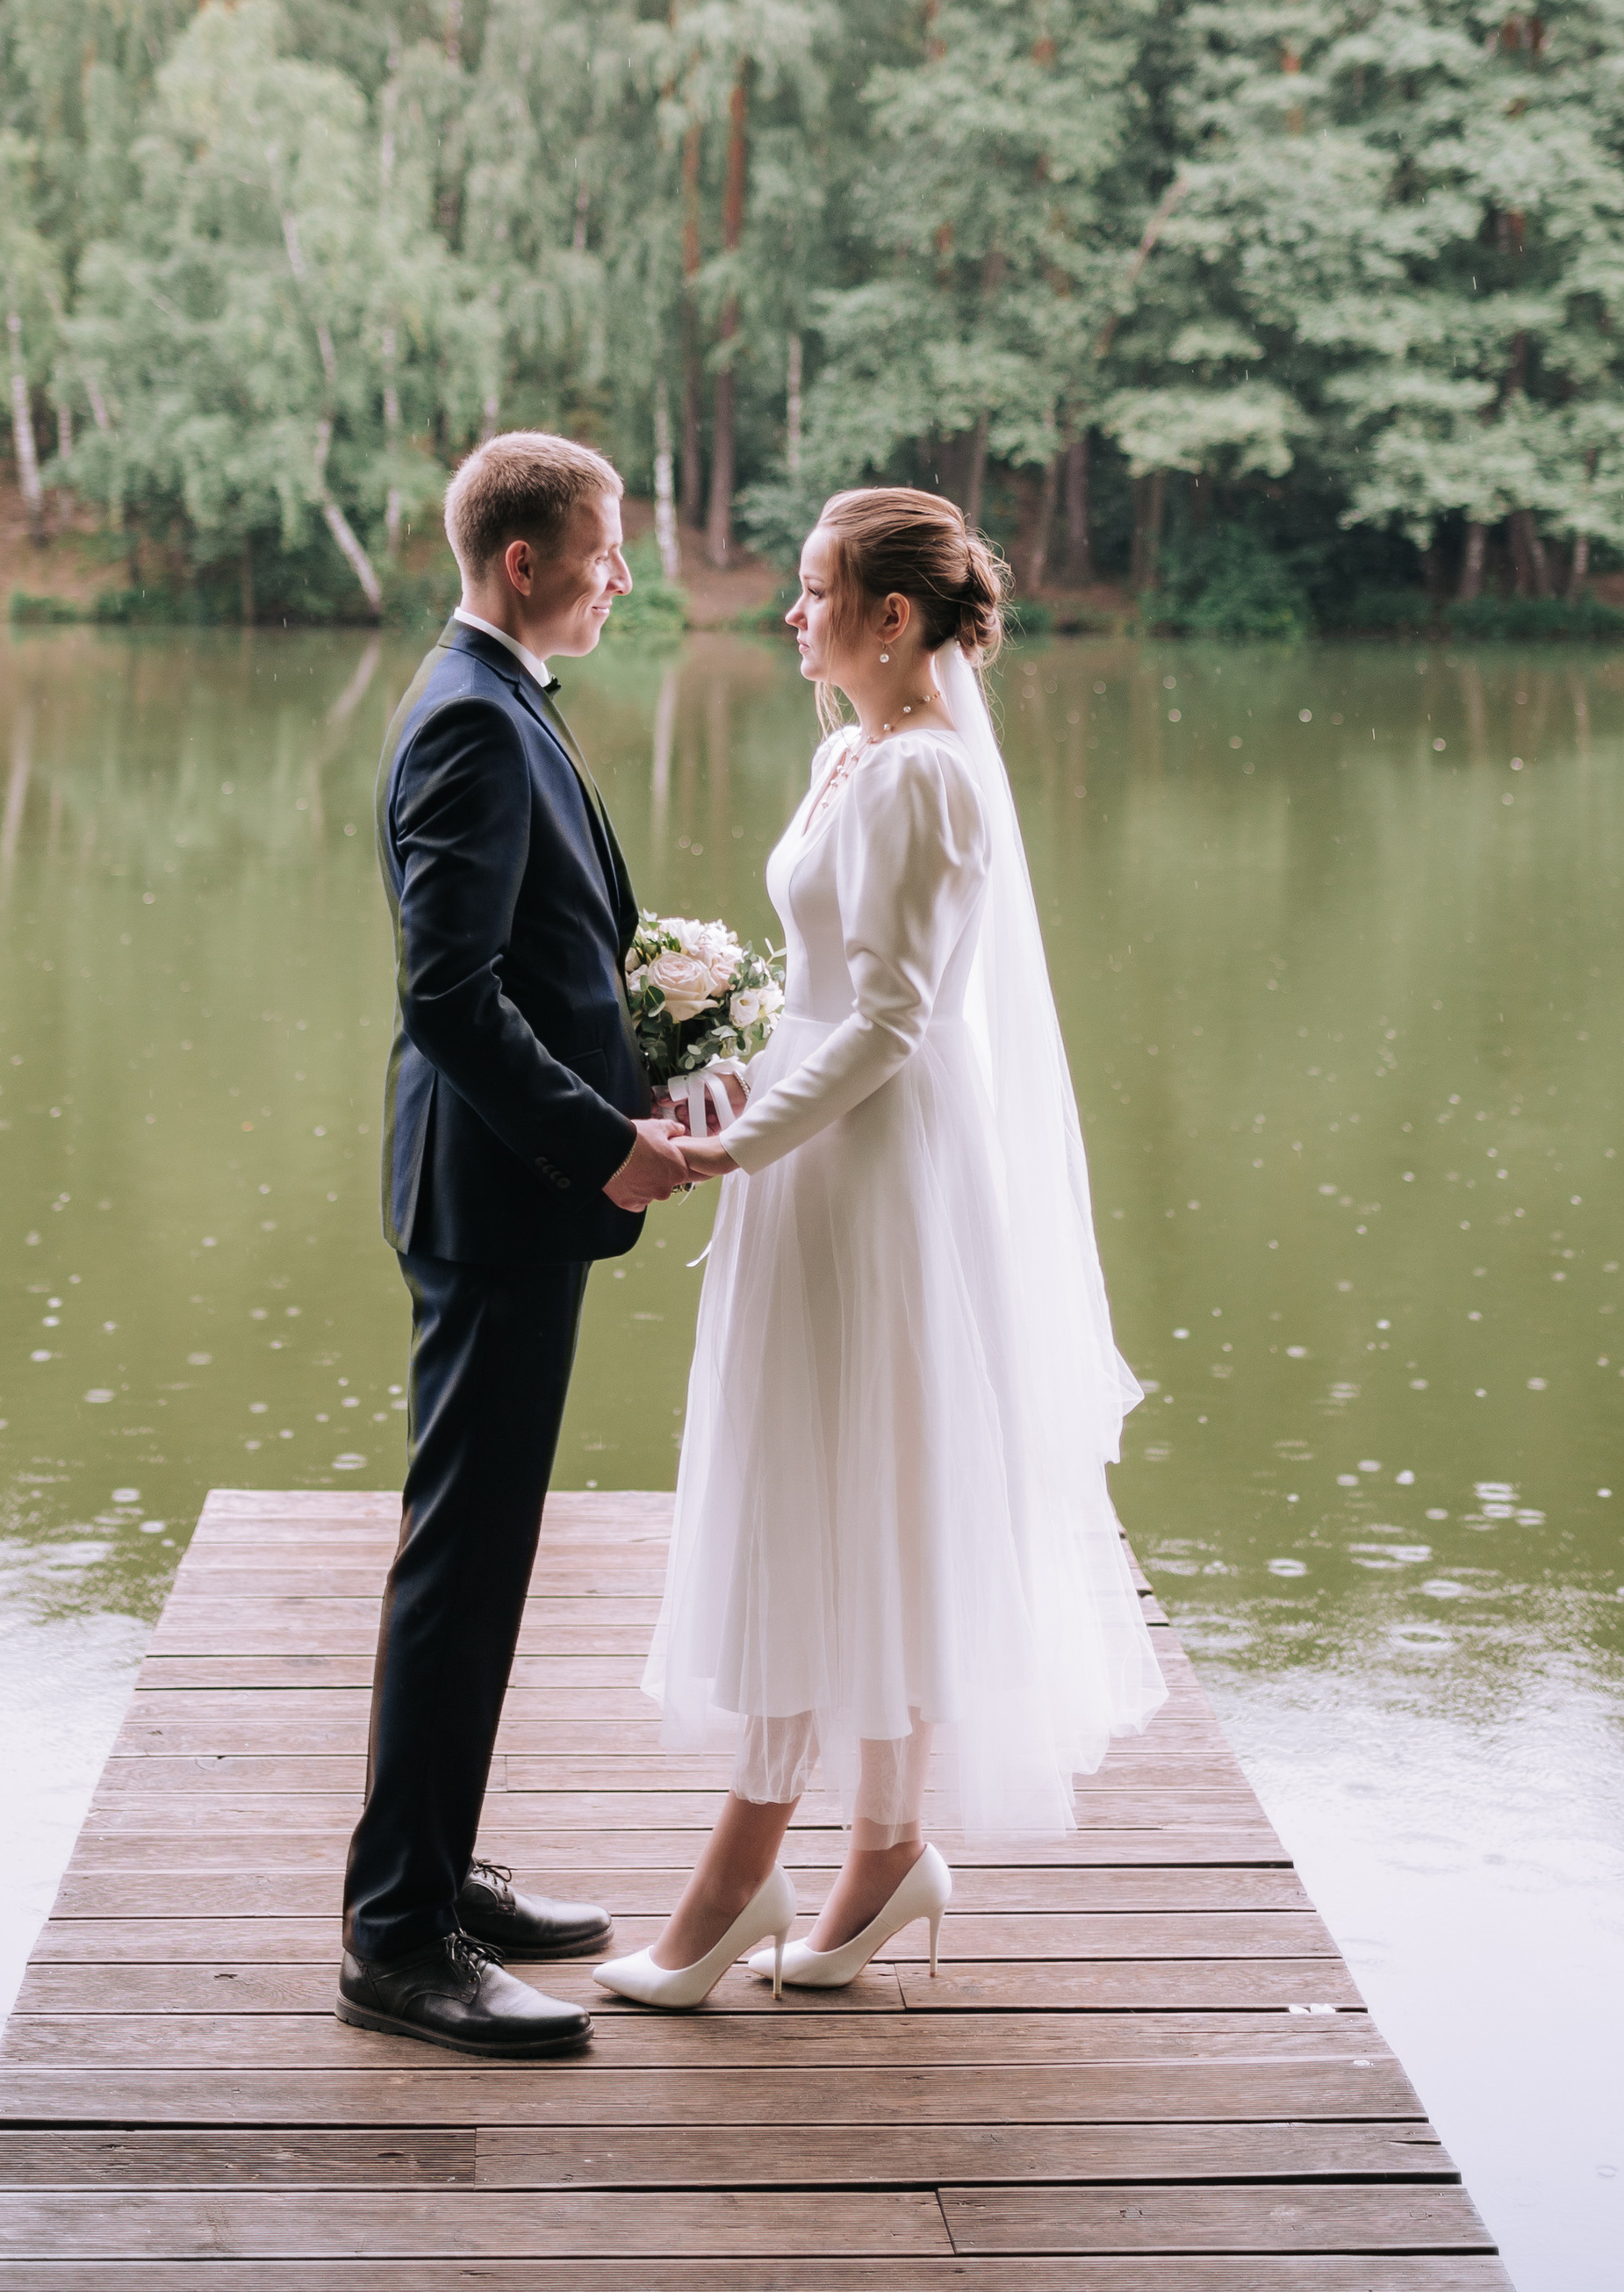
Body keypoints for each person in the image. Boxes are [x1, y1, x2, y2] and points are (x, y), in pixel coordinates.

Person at [596, 487, 1166, 2009]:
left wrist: (738, 1142)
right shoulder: (852, 752)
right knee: (838, 1478)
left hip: (872, 1172)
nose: (791, 613)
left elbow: (901, 1017)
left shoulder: (923, 780)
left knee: (847, 1481)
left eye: (813, 589)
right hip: (813, 1150)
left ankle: (744, 1880)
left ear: (892, 619)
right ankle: (884, 1855)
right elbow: (825, 988)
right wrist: (723, 1062)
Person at [339, 431, 706, 2058]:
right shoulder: (474, 725)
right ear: (525, 562)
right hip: (496, 1200)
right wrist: (602, 1143)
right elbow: (447, 995)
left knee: (481, 1560)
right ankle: (399, 1938)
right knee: (459, 1567)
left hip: (503, 1195)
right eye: (605, 547)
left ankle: (436, 1870)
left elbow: (545, 961)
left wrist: (655, 1061)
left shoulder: (496, 703)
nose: (623, 574)